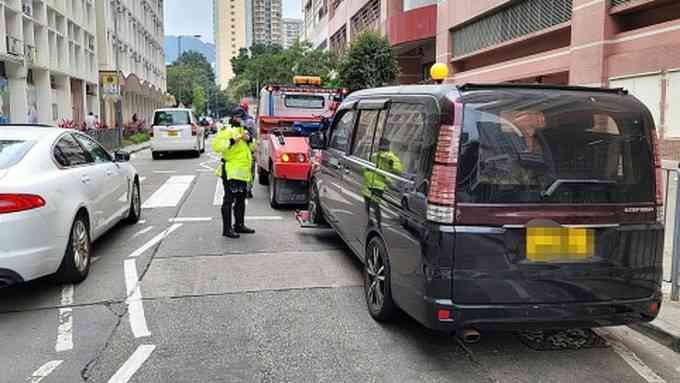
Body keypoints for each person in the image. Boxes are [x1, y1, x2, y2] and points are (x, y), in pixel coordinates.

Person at [212, 116, 256, 238]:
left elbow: (253, 148)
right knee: (229, 200)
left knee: (241, 200)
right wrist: (232, 141)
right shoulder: (226, 130)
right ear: (233, 118)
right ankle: (227, 229)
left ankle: (239, 225)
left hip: (242, 172)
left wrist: (249, 139)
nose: (241, 120)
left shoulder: (244, 131)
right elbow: (216, 147)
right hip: (230, 172)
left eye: (242, 117)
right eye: (238, 117)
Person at [233, 99, 257, 198]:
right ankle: (248, 189)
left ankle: (244, 189)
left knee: (245, 170)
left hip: (243, 150)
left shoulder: (242, 122)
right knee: (249, 171)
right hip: (248, 150)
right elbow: (255, 135)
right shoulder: (250, 121)